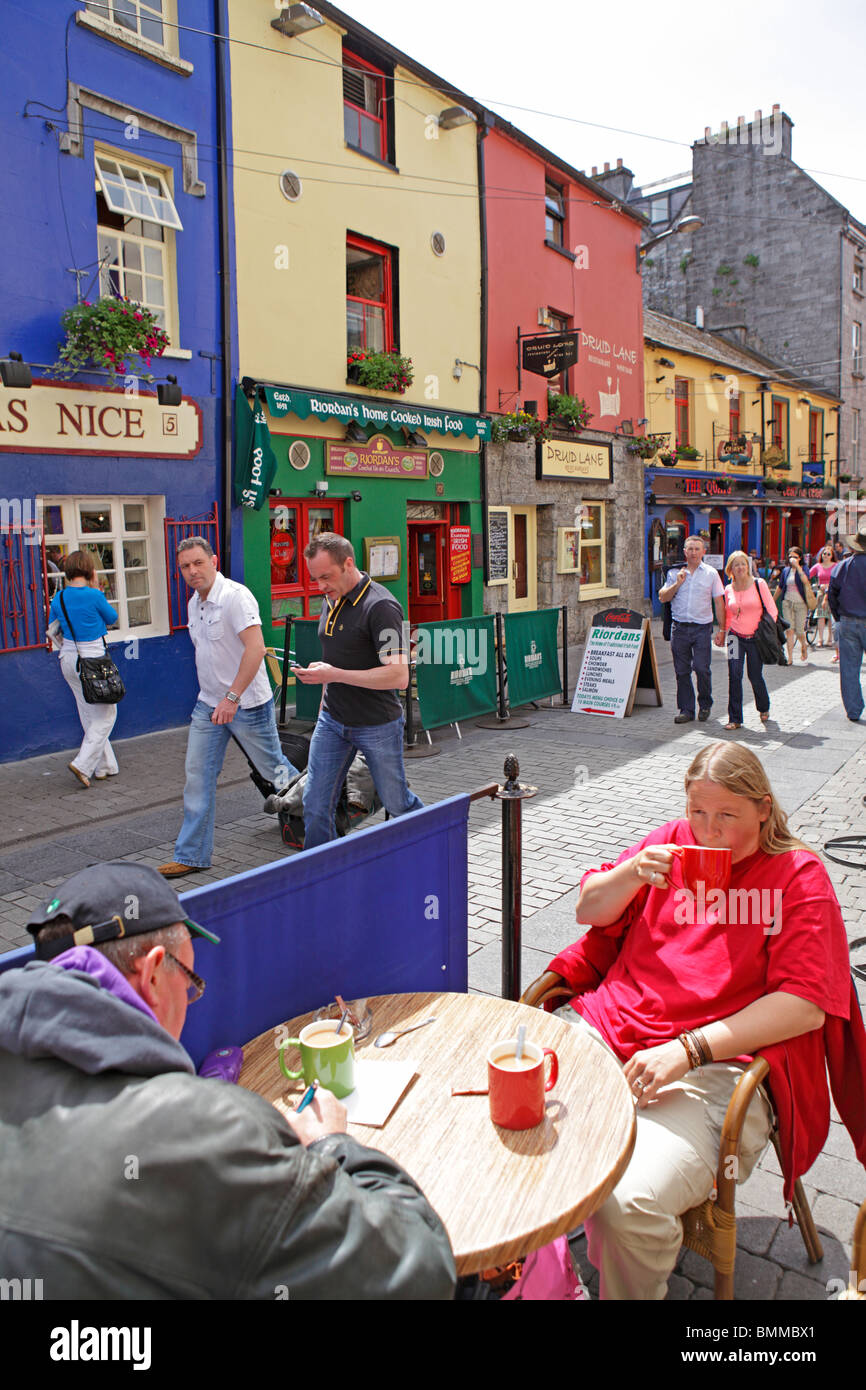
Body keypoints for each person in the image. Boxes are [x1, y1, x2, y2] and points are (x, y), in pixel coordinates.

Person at [0, 862, 456, 1299]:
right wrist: (332, 1145)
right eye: (189, 982)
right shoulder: (205, 1131)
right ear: (153, 973)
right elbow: (420, 1268)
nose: (191, 1000)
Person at [539, 742, 866, 1301]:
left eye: (727, 816)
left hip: (712, 1069)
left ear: (764, 808)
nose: (708, 832)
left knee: (626, 1203)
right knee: (513, 1119)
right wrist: (633, 874)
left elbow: (806, 1003)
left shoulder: (797, 876)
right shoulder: (670, 843)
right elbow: (589, 910)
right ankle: (536, 1271)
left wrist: (688, 1050)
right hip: (610, 1029)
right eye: (698, 812)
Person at [159, 537, 299, 878]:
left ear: (214, 561)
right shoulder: (196, 603)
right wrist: (218, 699)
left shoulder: (236, 597)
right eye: (185, 567)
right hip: (208, 705)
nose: (192, 571)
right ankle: (192, 855)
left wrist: (232, 698)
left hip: (246, 703)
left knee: (275, 772)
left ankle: (323, 815)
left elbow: (255, 650)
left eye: (198, 563)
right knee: (197, 776)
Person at [294, 533, 423, 849]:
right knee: (313, 804)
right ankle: (322, 875)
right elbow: (336, 656)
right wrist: (325, 680)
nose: (320, 585)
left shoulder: (383, 606)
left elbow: (399, 676)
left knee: (398, 803)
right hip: (332, 721)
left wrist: (335, 673)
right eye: (315, 578)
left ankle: (432, 843)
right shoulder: (331, 599)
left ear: (348, 563)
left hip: (376, 724)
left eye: (326, 576)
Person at [49, 549, 120, 789]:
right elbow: (112, 617)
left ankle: (104, 766)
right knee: (108, 714)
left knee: (88, 714)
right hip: (93, 660)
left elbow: (51, 629)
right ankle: (83, 763)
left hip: (68, 658)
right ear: (90, 569)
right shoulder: (94, 595)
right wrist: (97, 589)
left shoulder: (58, 598)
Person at [658, 534, 725, 724]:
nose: (694, 552)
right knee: (681, 671)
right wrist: (678, 583)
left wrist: (722, 629)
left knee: (702, 668)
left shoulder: (711, 573)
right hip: (679, 628)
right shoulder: (674, 573)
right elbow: (663, 597)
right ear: (685, 552)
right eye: (690, 549)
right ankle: (686, 710)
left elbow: (719, 602)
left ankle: (705, 704)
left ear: (704, 551)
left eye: (697, 549)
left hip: (702, 628)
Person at [714, 549, 778, 729]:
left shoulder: (760, 584)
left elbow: (772, 610)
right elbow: (727, 614)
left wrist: (765, 630)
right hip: (735, 637)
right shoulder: (728, 589)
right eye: (736, 565)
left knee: (754, 675)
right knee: (734, 675)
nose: (740, 567)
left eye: (743, 564)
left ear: (748, 567)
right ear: (730, 569)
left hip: (756, 638)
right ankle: (734, 719)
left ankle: (763, 707)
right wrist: (722, 631)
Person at [828, 516, 866, 722]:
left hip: (848, 620)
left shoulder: (843, 566)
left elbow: (832, 594)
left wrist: (838, 617)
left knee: (850, 669)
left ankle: (853, 710)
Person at [773, 547, 811, 664]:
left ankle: (803, 646)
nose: (792, 559)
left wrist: (798, 567)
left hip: (801, 604)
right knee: (789, 630)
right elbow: (780, 587)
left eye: (795, 557)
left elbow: (806, 581)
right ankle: (790, 658)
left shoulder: (804, 569)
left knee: (799, 631)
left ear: (800, 558)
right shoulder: (785, 571)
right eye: (790, 556)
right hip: (787, 603)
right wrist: (772, 600)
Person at [809, 544, 838, 654]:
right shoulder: (818, 566)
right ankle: (820, 639)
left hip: (832, 593)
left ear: (832, 556)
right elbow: (808, 575)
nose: (825, 555)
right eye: (824, 553)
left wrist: (830, 585)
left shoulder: (835, 566)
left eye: (828, 554)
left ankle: (830, 638)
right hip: (821, 593)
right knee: (821, 615)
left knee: (831, 617)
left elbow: (838, 579)